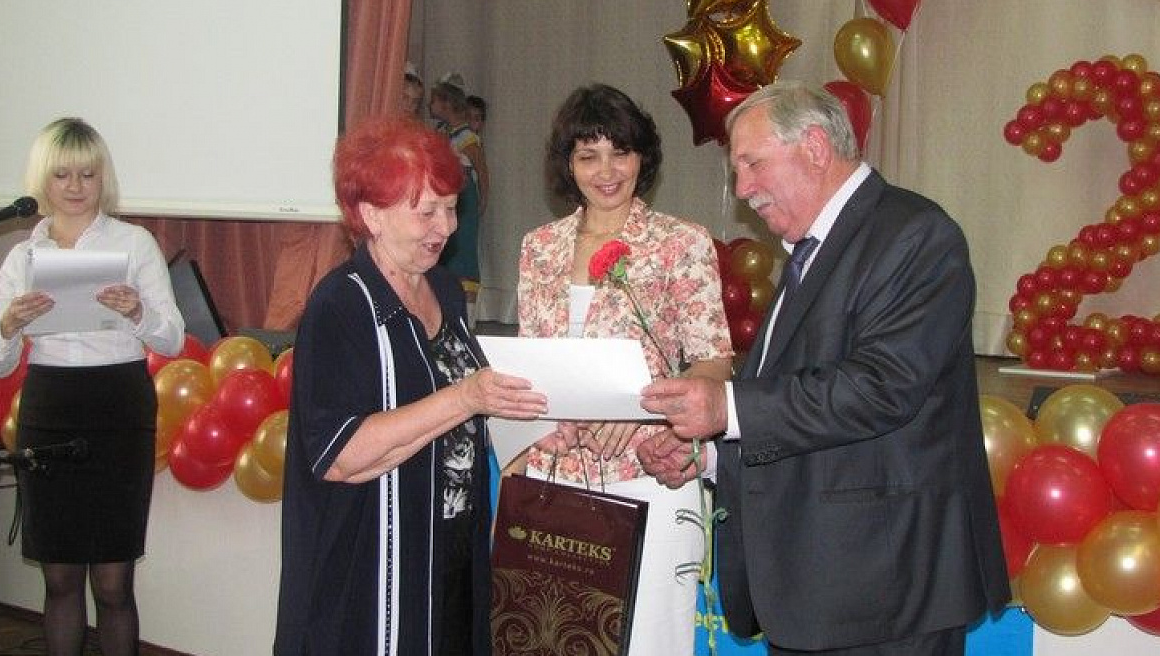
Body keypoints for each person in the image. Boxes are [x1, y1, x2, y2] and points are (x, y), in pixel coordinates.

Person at [638, 82, 1010, 656]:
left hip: (885, 594)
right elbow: (798, 405)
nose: (743, 190)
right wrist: (708, 457)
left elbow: (879, 389)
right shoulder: (814, 249)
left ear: (814, 147)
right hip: (821, 592)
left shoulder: (915, 235)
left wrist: (726, 407)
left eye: (753, 164)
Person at [273, 116, 547, 656]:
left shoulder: (444, 288)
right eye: (426, 211)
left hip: (451, 547)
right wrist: (464, 397)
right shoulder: (341, 304)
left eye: (451, 207)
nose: (445, 227)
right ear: (371, 215)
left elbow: (467, 417)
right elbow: (340, 457)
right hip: (371, 561)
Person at [516, 84, 733, 654]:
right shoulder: (539, 247)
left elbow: (713, 362)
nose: (606, 171)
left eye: (620, 152)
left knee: (648, 640)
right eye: (588, 156)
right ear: (568, 165)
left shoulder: (680, 242)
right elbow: (533, 365)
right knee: (553, 639)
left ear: (643, 156)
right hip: (553, 474)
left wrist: (645, 407)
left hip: (648, 474)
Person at [0, 117, 185, 656]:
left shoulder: (134, 243)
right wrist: (9, 326)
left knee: (114, 583)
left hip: (118, 408)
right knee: (60, 580)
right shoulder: (21, 257)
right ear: (42, 180)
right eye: (62, 174)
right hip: (49, 408)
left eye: (87, 174)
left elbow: (172, 336)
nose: (75, 186)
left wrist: (138, 311)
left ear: (103, 178)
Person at [430, 79, 490, 319]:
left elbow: (482, 171)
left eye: (434, 101)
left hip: (464, 198)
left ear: (446, 104)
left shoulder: (467, 138)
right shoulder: (442, 133)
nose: (430, 106)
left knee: (464, 252)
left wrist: (483, 198)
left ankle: (469, 315)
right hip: (445, 196)